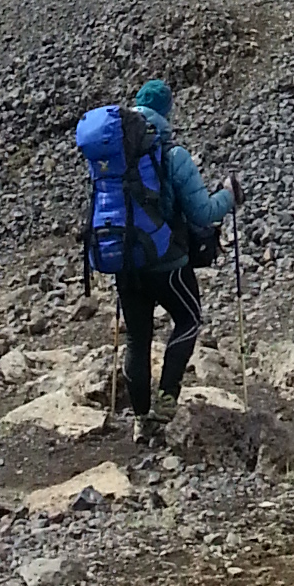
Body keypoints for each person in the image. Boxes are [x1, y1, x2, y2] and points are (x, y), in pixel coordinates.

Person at [112, 77, 234, 440]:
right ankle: (167, 398)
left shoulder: (115, 154)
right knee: (188, 319)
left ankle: (141, 420)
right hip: (168, 263)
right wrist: (230, 196)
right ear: (166, 113)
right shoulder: (173, 155)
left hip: (126, 264)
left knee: (137, 339)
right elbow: (202, 213)